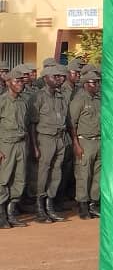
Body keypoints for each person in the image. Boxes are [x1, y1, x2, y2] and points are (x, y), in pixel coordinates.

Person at [28, 63, 69, 223]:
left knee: (56, 172)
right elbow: (32, 123)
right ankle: (40, 208)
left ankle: (49, 205)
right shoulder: (38, 97)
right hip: (44, 139)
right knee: (42, 173)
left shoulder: (60, 97)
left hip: (59, 138)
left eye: (60, 76)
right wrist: (35, 146)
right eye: (55, 76)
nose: (59, 79)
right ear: (46, 78)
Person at [0, 65, 33, 228]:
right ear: (8, 83)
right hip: (6, 145)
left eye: (22, 81)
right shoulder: (3, 101)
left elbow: (27, 125)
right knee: (3, 179)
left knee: (19, 178)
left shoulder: (23, 102)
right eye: (17, 81)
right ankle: (1, 215)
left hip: (21, 143)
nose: (21, 83)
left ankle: (11, 213)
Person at [69, 69, 102, 219]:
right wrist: (76, 144)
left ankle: (93, 203)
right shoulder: (79, 100)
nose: (97, 85)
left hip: (99, 140)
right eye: (94, 82)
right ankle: (83, 205)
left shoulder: (98, 100)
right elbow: (72, 124)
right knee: (83, 174)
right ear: (86, 84)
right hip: (84, 141)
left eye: (97, 82)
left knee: (98, 174)